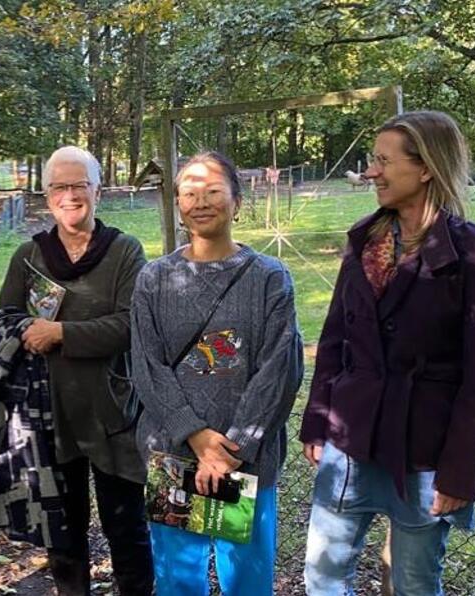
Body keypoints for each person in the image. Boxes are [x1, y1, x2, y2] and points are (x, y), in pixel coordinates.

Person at [300, 111, 475, 595]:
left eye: (382, 160)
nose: (371, 171)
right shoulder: (364, 240)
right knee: (322, 576)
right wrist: (316, 421)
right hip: (348, 439)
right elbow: (335, 338)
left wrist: (461, 473)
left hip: (425, 452)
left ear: (425, 168)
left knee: (416, 583)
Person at [130, 151, 303, 596]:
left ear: (237, 201)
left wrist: (231, 448)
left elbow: (279, 368)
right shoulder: (155, 279)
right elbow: (147, 366)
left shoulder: (269, 278)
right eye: (189, 192)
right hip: (174, 455)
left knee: (245, 578)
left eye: (212, 191)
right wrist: (195, 435)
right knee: (178, 578)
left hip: (243, 459)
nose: (200, 201)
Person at [0, 146, 154, 595]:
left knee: (128, 532)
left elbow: (130, 325)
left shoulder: (124, 252)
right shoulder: (30, 256)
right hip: (50, 418)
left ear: (97, 191)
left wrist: (60, 332)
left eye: (78, 185)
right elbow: (4, 318)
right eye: (59, 187)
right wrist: (27, 327)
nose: (69, 195)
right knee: (63, 539)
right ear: (47, 196)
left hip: (113, 416)